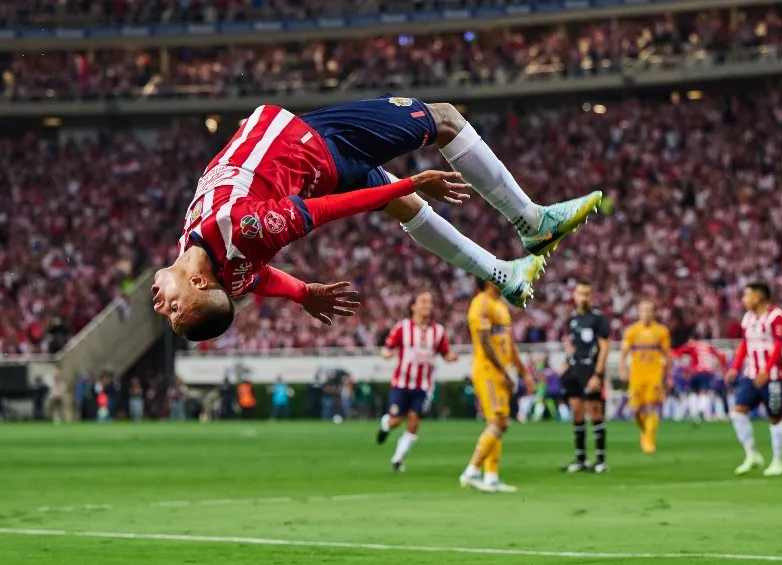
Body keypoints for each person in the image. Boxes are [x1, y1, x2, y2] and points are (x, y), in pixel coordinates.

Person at [151, 97, 602, 340]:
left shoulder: (220, 269)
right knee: (443, 118)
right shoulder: (241, 231)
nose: (160, 306)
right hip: (319, 146)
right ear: (198, 286)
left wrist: (302, 293)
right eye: (175, 309)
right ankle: (531, 221)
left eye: (169, 313)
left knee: (402, 211)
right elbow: (324, 211)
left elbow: (258, 280)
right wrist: (408, 182)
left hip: (311, 158)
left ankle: (501, 274)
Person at [459, 279, 533, 493]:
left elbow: (509, 344)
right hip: (488, 371)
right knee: (499, 422)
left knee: (499, 422)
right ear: (488, 279)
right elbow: (484, 343)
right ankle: (471, 472)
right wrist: (505, 371)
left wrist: (523, 372)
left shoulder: (500, 306)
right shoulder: (480, 303)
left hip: (500, 372)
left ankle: (491, 477)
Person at [376, 290, 458, 472]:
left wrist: (452, 357)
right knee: (396, 421)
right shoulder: (402, 327)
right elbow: (386, 348)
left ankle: (397, 459)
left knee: (413, 421)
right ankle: (385, 425)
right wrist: (386, 354)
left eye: (429, 302)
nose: (427, 305)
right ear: (413, 306)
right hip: (402, 383)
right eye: (423, 301)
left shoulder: (438, 331)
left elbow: (445, 353)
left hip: (423, 386)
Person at [725, 283, 782, 477]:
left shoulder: (776, 316)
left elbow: (778, 346)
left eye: (747, 295)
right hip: (751, 374)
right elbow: (745, 344)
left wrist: (767, 370)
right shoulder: (748, 318)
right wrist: (735, 367)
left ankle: (778, 460)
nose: (744, 300)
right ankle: (751, 454)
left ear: (760, 296)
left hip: (773, 377)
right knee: (738, 412)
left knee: (775, 418)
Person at [561, 281, 611, 473]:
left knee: (595, 412)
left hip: (591, 370)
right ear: (574, 295)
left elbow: (604, 347)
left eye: (587, 294)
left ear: (591, 297)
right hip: (574, 369)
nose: (583, 297)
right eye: (580, 293)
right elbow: (570, 344)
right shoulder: (572, 319)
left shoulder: (598, 319)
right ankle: (580, 459)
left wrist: (598, 374)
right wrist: (565, 364)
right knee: (577, 412)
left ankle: (600, 460)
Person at [619, 300, 671, 454]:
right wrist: (623, 369)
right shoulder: (631, 331)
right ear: (638, 312)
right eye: (643, 310)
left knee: (652, 408)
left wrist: (669, 376)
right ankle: (645, 431)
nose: (646, 313)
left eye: (649, 310)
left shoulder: (662, 331)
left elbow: (667, 355)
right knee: (635, 410)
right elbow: (624, 353)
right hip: (637, 376)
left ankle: (649, 440)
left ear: (654, 313)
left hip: (654, 375)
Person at [671, 340, 727, 425]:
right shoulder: (708, 346)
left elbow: (677, 352)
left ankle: (695, 413)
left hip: (696, 371)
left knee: (693, 392)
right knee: (703, 392)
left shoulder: (692, 345)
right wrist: (722, 368)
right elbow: (721, 356)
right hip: (708, 372)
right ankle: (700, 411)